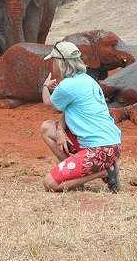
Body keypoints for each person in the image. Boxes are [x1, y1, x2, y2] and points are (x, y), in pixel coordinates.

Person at [40, 41, 122, 193]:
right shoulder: (88, 80)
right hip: (111, 146)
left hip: (98, 150)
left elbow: (48, 103)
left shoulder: (67, 85)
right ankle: (77, 174)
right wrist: (60, 130)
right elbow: (69, 109)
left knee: (50, 184)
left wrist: (45, 86)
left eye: (54, 61)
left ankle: (103, 172)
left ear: (61, 63)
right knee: (48, 127)